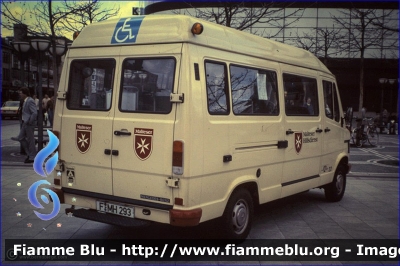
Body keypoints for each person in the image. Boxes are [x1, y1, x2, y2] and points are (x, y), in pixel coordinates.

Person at [11, 87, 37, 163]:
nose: (20, 94)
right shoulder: (24, 101)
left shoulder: (30, 101)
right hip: (24, 123)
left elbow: (34, 113)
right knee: (20, 138)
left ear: (25, 93)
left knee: (30, 140)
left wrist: (29, 121)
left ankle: (32, 156)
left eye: (21, 93)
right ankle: (29, 154)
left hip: (28, 123)